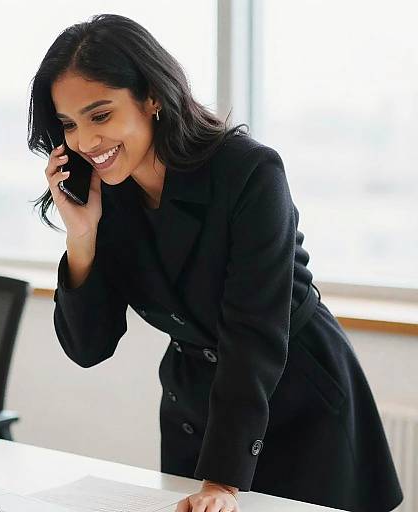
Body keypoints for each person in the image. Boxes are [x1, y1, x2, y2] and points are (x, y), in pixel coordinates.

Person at [27, 13, 403, 512]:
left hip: (292, 395)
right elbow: (88, 347)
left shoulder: (248, 171)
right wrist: (81, 235)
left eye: (100, 115)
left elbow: (252, 334)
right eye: (69, 125)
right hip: (195, 406)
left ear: (152, 96)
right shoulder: (107, 195)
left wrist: (222, 482)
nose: (85, 142)